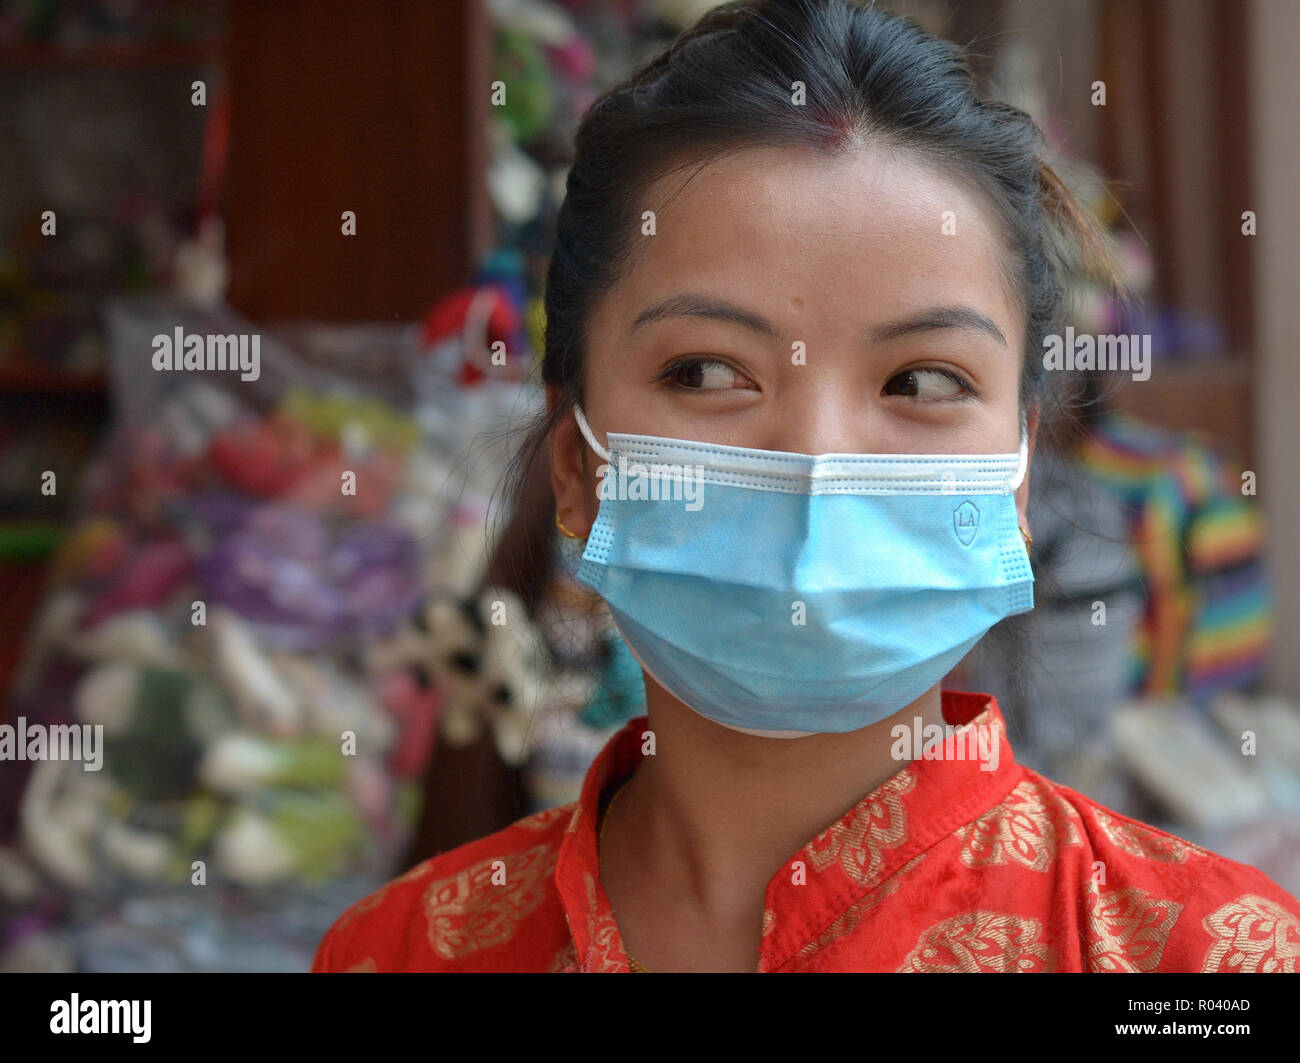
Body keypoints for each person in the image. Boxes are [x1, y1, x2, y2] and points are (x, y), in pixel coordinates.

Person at [312, 0, 1300, 973]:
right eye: (705, 371)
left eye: (921, 381)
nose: (816, 463)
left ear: (1016, 479)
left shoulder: (1204, 959)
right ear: (576, 468)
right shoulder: (399, 952)